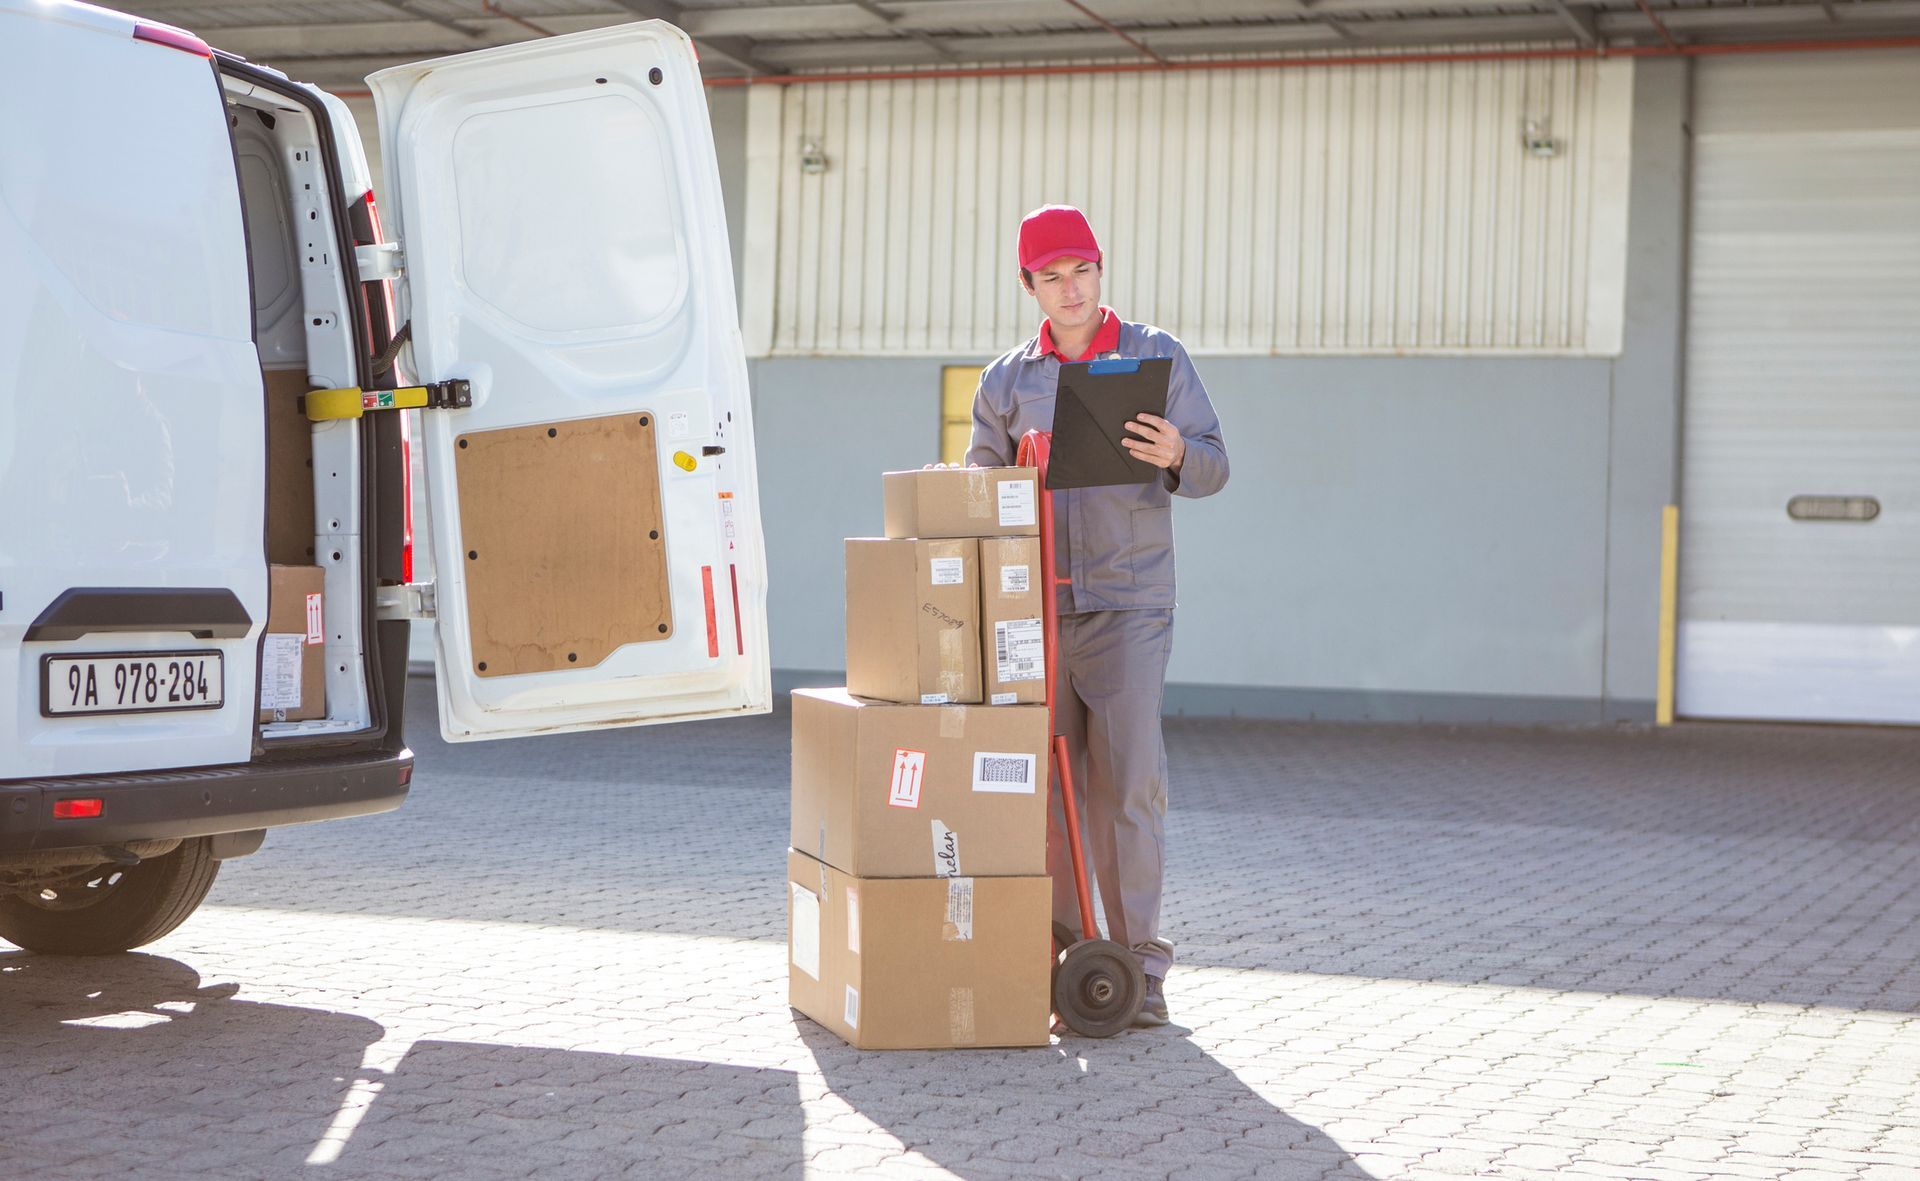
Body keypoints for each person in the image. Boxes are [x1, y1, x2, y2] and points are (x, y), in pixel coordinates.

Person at [967, 205, 1229, 1027]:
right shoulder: (1006, 381)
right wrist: (995, 478)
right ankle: (1076, 962)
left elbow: (1217, 465)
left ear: (1100, 270)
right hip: (1038, 608)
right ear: (1029, 287)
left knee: (1129, 785)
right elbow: (975, 490)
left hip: (1130, 606)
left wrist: (1178, 455)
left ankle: (1141, 967)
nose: (1070, 289)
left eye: (1082, 271)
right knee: (1051, 792)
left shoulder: (1156, 356)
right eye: (1052, 277)